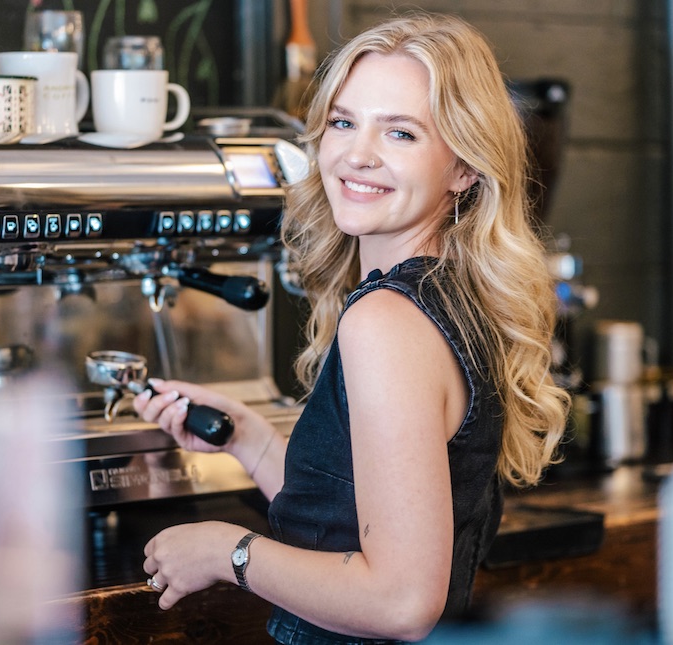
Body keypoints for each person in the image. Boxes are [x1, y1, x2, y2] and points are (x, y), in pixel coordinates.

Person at [134, 11, 568, 644]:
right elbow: (359, 518)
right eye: (343, 122)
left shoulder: (386, 319)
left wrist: (228, 552)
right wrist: (251, 441)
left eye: (401, 133)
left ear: (465, 168)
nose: (357, 154)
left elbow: (401, 601)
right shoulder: (450, 296)